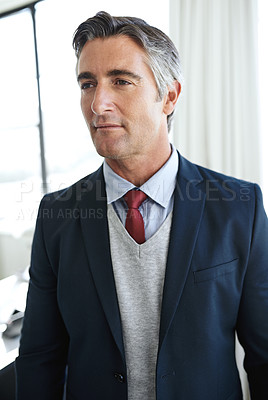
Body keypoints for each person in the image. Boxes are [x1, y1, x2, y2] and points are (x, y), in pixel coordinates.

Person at [15, 11, 268, 400]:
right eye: (88, 84)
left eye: (120, 81)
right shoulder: (56, 215)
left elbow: (264, 354)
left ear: (168, 96)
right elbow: (39, 360)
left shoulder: (240, 208)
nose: (98, 103)